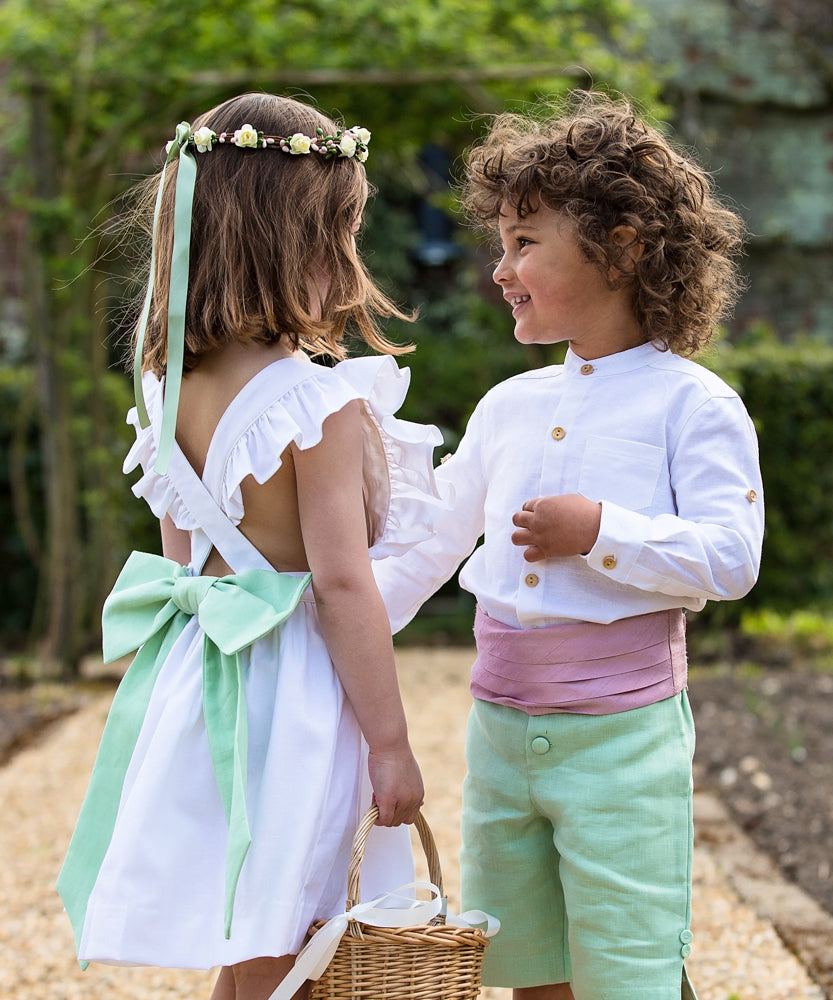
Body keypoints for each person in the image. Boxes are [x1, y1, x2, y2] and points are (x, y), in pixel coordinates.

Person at [372, 91, 765, 1000]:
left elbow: (730, 556)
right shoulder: (508, 407)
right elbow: (429, 542)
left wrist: (600, 534)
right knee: (522, 959)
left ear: (620, 247)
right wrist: (333, 627)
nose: (500, 268)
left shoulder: (691, 403)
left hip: (623, 744)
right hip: (498, 733)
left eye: (523, 242)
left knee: (627, 965)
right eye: (499, 244)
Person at [57, 92, 446, 1000]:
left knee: (252, 928)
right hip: (294, 692)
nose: (346, 264)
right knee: (295, 931)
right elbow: (341, 587)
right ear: (291, 246)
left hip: (203, 676)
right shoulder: (316, 403)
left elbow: (182, 563)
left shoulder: (163, 388)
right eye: (337, 236)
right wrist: (390, 744)